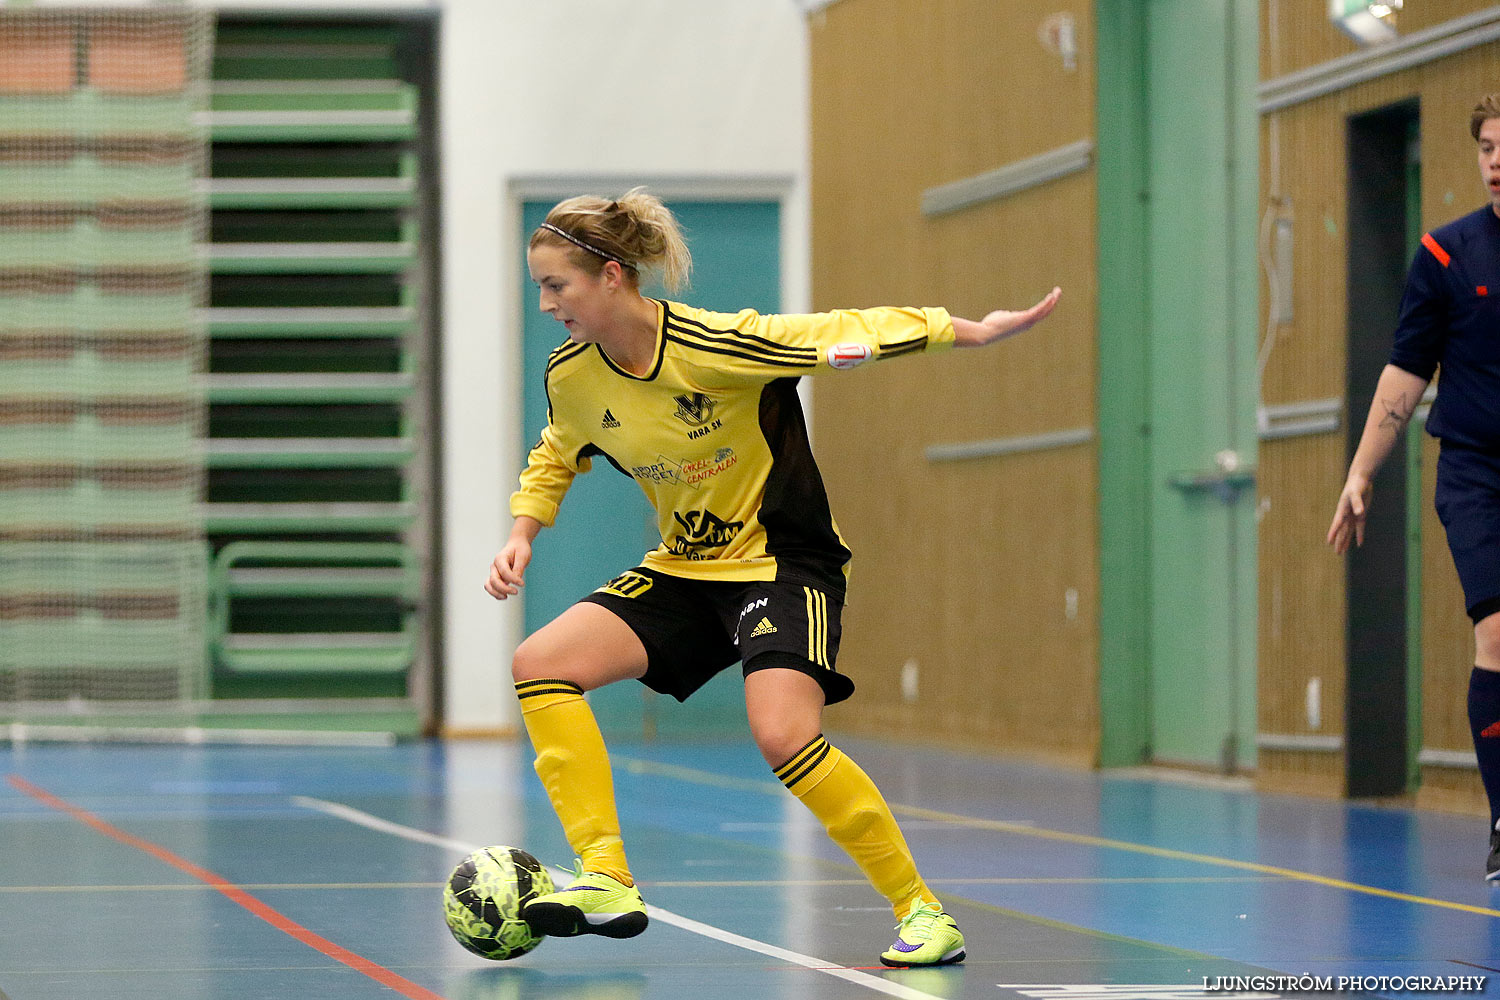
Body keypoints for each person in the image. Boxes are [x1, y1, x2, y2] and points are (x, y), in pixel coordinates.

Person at [486, 187, 1060, 967]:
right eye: (541, 289)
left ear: (613, 276)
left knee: (783, 734)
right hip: (686, 569)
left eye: (558, 286)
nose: (549, 303)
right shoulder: (574, 375)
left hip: (784, 563)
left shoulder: (716, 346)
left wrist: (963, 331)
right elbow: (559, 449)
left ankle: (924, 913)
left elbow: (835, 335)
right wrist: (524, 530)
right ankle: (607, 878)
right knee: (541, 665)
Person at [1328, 94, 1500, 880]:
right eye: (1486, 147)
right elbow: (1405, 373)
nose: (1495, 160)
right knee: (1498, 634)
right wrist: (1362, 473)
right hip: (1475, 472)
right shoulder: (1445, 256)